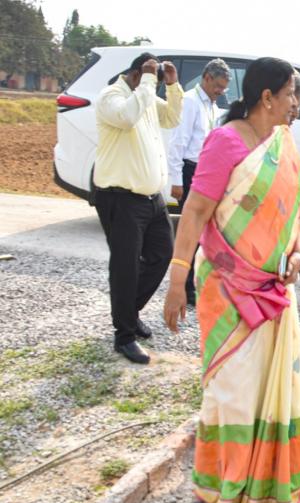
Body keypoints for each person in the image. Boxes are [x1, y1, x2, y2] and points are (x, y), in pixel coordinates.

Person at [162, 57, 300, 503]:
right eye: (292, 94)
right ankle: (211, 495)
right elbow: (195, 212)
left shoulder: (284, 144)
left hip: (273, 295)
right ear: (267, 97)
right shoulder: (226, 142)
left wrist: (297, 254)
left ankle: (267, 496)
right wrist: (176, 280)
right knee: (230, 395)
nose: (297, 103)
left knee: (276, 393)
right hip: (226, 291)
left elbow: (296, 217)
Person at [93, 52, 183, 364]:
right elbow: (128, 117)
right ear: (136, 74)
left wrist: (171, 87)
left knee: (162, 254)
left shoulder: (144, 97)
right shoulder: (111, 97)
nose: (152, 83)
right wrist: (148, 80)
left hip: (151, 198)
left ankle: (128, 314)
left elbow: (171, 118)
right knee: (125, 267)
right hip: (120, 197)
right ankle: (124, 335)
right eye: (148, 76)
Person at [168, 58, 231, 306]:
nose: (220, 92)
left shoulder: (213, 106)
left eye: (223, 88)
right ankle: (184, 287)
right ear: (206, 78)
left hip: (205, 171)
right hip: (188, 170)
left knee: (206, 232)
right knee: (189, 232)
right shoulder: (191, 103)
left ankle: (195, 282)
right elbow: (178, 143)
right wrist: (176, 180)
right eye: (217, 86)